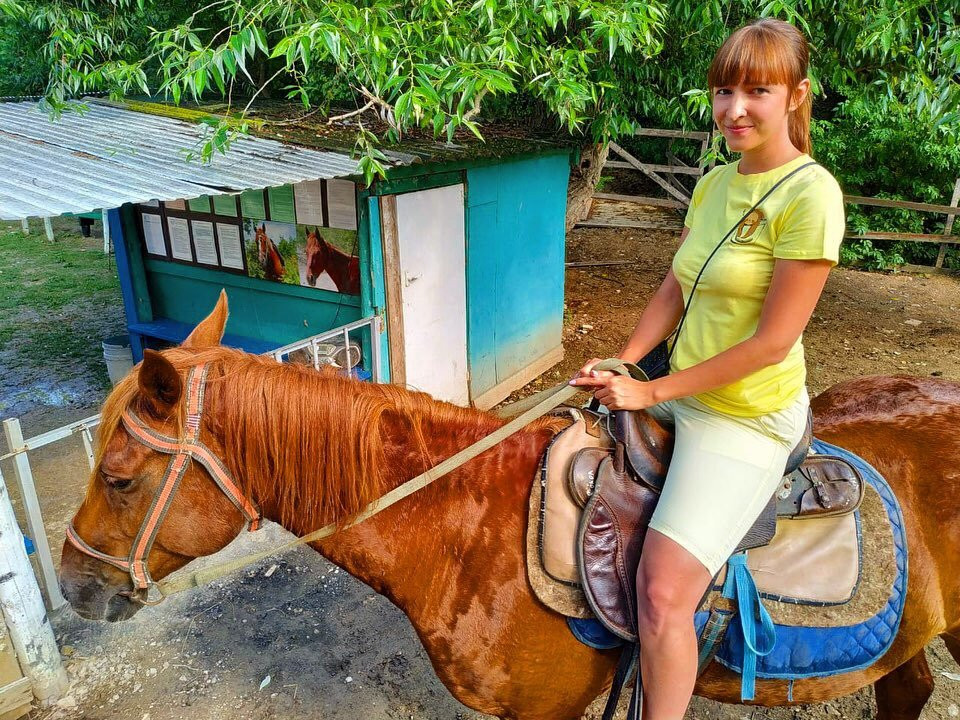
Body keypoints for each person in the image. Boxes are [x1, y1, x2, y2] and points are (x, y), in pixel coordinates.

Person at [570, 18, 846, 719]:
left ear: (796, 95)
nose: (735, 109)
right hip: (679, 388)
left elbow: (771, 343)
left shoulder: (811, 195)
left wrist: (651, 389)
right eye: (724, 91)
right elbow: (674, 286)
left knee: (663, 592)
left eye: (757, 89)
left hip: (744, 416)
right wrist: (623, 361)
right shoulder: (716, 180)